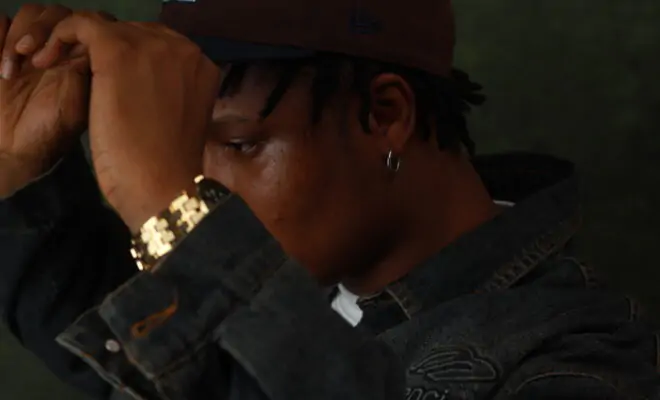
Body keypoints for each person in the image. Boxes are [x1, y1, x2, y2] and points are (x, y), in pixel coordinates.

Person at [0, 1, 658, 399]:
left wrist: (165, 203)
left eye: (239, 143)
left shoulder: (578, 361)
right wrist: (21, 169)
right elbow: (139, 365)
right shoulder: (304, 284)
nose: (201, 184)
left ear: (386, 114)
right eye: (184, 149)